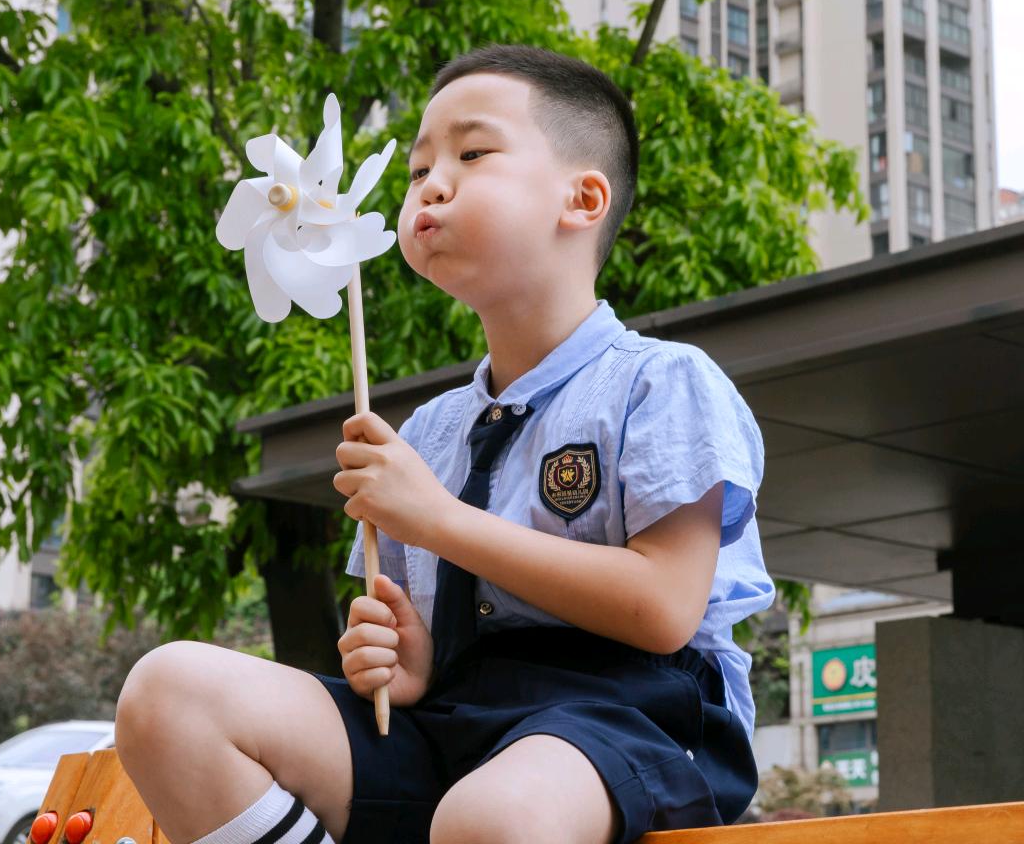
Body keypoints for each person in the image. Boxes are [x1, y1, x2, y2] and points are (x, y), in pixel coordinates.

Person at [115, 44, 774, 844]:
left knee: (489, 818)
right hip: (456, 724)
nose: (431, 182)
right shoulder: (425, 432)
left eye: (472, 152)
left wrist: (437, 519)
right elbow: (415, 652)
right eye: (417, 168)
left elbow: (665, 609)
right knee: (168, 694)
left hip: (632, 721)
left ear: (584, 197)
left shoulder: (662, 382)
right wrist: (401, 658)